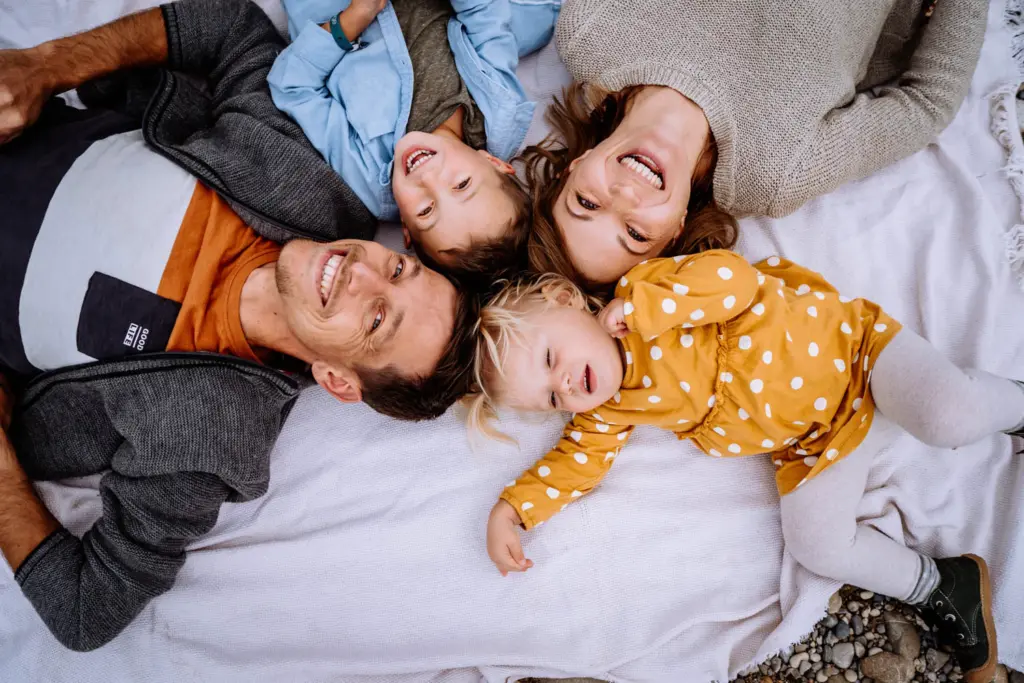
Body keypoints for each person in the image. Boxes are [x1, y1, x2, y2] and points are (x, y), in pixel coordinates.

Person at [0, 0, 477, 652]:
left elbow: (86, 610)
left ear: (338, 380)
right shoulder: (309, 184)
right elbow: (232, 28)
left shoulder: (209, 441)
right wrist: (45, 67)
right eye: (398, 270)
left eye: (374, 318)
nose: (361, 271)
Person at [466, 251, 1024, 683]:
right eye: (550, 399)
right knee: (817, 545)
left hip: (856, 354)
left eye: (549, 359)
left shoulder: (644, 293)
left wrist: (650, 307)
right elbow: (576, 463)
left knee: (949, 415)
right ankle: (941, 586)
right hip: (817, 439)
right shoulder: (609, 409)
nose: (563, 385)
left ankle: (1016, 404)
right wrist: (514, 509)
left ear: (567, 298)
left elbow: (735, 281)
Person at [520, 0, 987, 289]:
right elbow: (928, 101)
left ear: (573, 165)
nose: (623, 197)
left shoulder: (591, 35)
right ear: (676, 231)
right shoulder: (778, 170)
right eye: (635, 234)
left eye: (587, 202)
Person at [268, 0, 561, 281]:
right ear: (494, 162)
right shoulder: (499, 109)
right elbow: (484, 15)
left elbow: (291, 85)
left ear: (406, 229)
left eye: (426, 210)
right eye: (461, 184)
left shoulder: (371, 176)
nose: (428, 179)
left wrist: (355, 17)